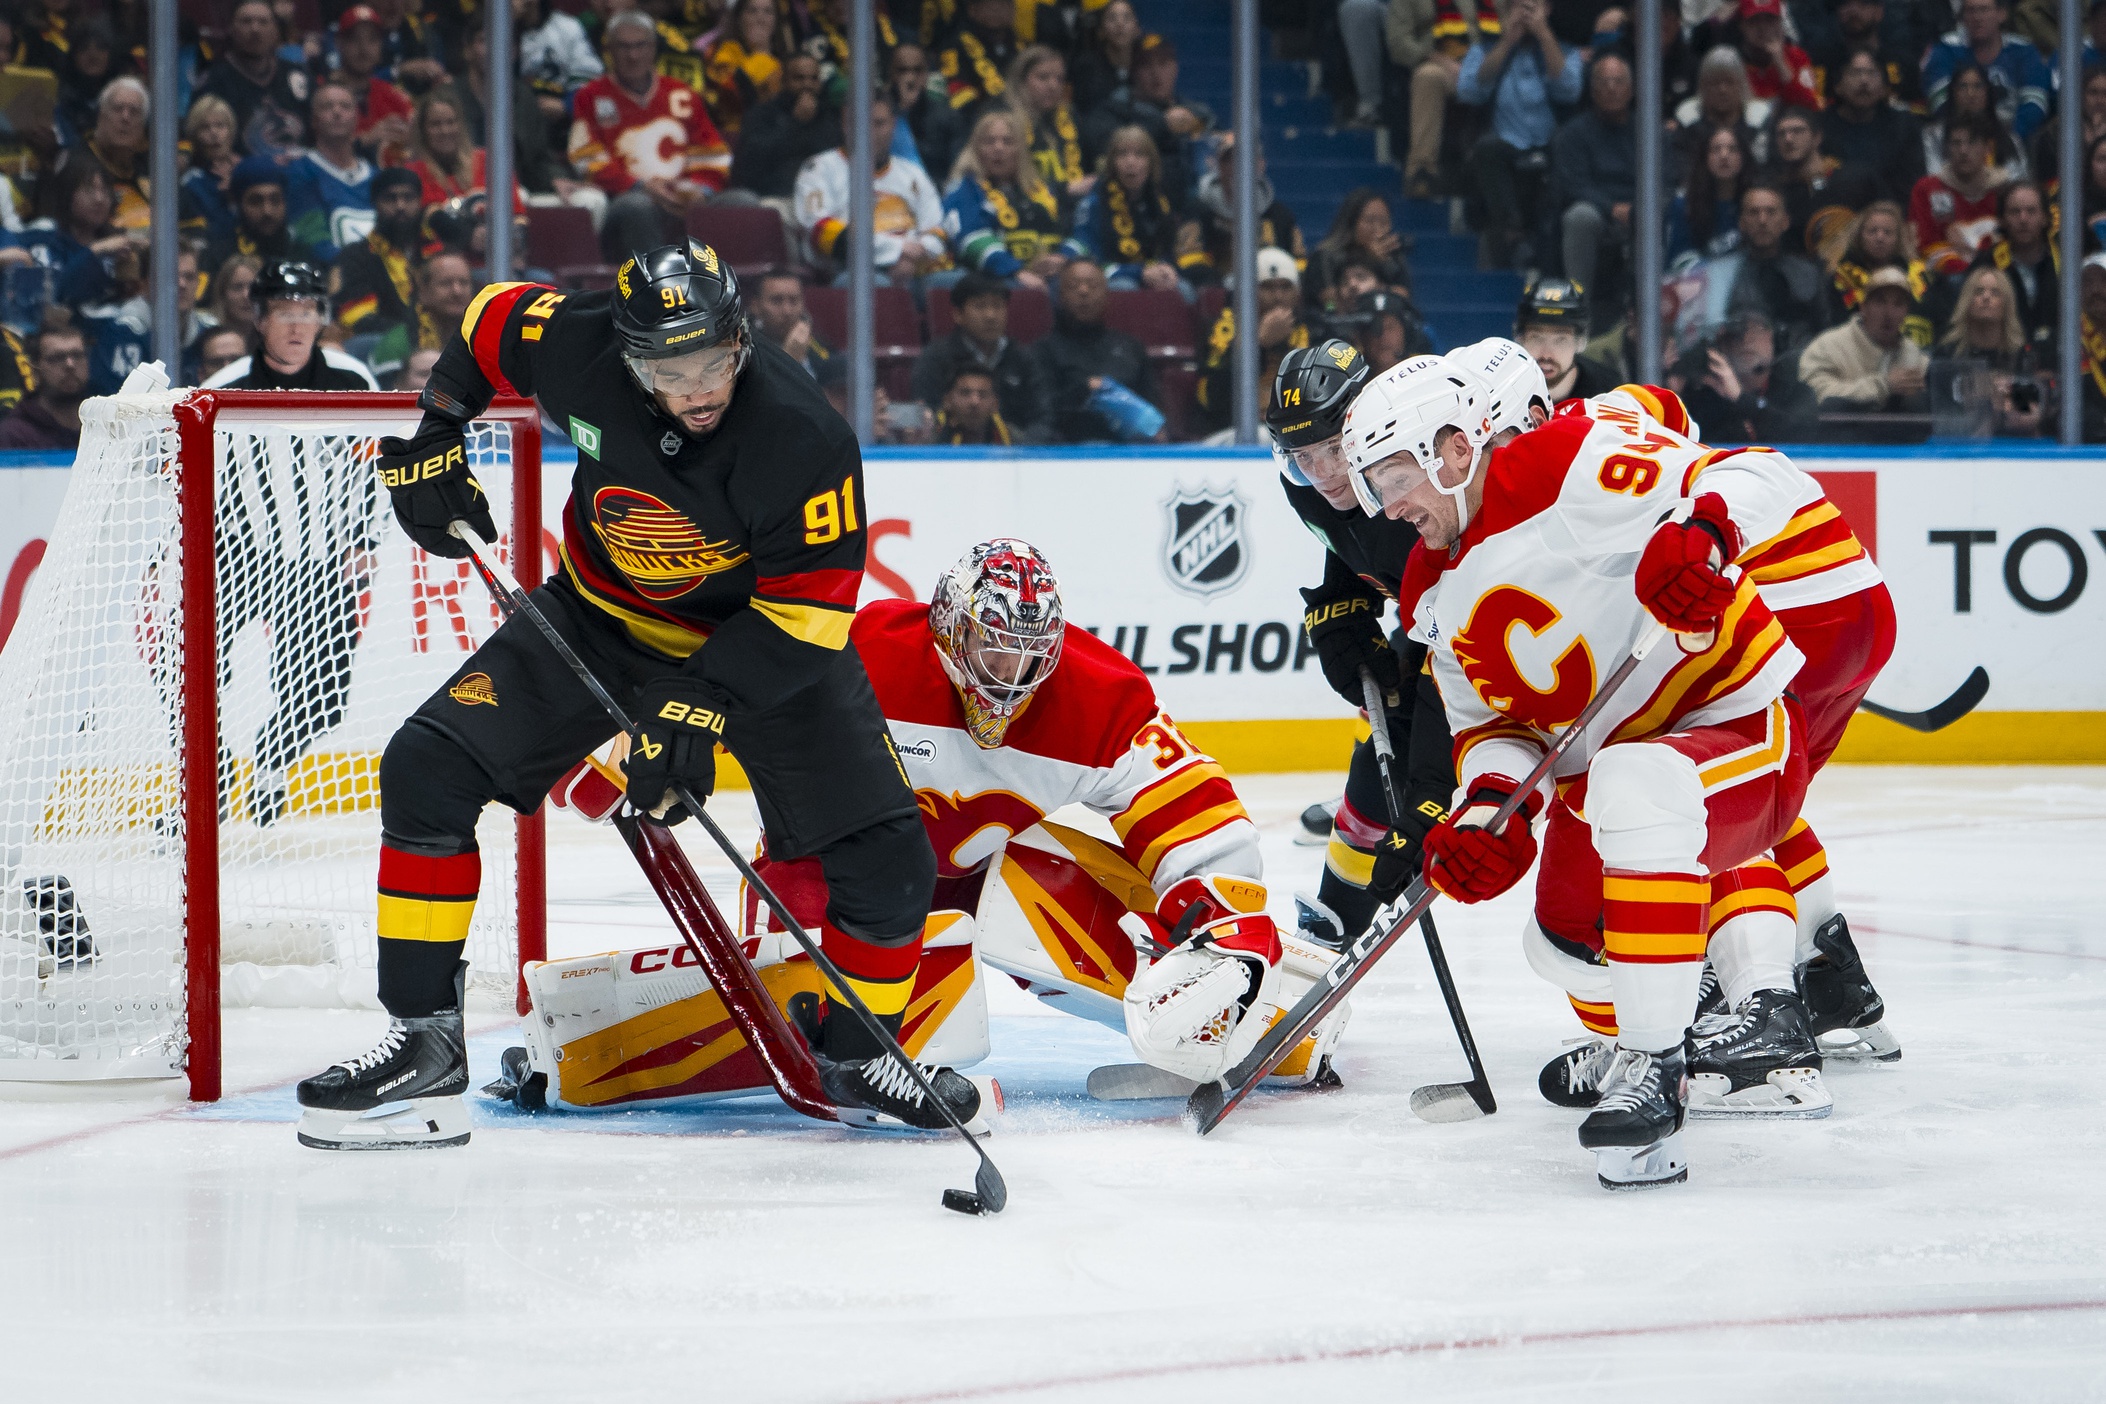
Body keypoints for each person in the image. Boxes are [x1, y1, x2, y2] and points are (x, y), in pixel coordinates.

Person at [294, 240, 967, 1148]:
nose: (697, 387)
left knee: (890, 863)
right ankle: (425, 1040)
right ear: (624, 355)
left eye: (712, 358)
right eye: (666, 366)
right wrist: (440, 430)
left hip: (759, 647)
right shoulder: (575, 346)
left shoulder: (801, 433)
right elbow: (485, 317)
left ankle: (860, 1054)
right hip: (597, 618)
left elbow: (807, 618)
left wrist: (696, 705)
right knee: (425, 770)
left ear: (742, 335)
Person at [492, 537, 1348, 1114]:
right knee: (868, 997)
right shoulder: (856, 653)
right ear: (947, 625)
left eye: (1027, 658)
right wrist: (607, 745)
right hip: (827, 870)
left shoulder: (1096, 695)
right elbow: (706, 686)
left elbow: (1188, 797)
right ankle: (581, 1052)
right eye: (991, 650)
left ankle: (1270, 1026)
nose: (1008, 680)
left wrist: (1219, 911)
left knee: (1043, 874)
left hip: (975, 876)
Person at [1342, 355, 1824, 1188]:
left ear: (1455, 450)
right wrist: (1488, 808)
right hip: (1612, 776)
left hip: (1734, 728)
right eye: (1375, 484)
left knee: (1638, 780)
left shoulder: (1569, 462)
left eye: (1396, 476)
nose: (1390, 506)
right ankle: (1660, 1032)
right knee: (1559, 939)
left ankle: (1656, 1064)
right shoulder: (1429, 586)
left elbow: (1764, 473)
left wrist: (1705, 533)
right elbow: (1492, 726)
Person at [1262, 339, 1456, 947]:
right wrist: (1341, 607)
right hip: (1437, 624)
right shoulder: (1313, 489)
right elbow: (1351, 540)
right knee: (1374, 779)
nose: (1318, 474)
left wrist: (1430, 786)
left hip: (1500, 641)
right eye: (1300, 456)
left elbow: (1468, 629)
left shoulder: (1424, 479)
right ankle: (1330, 933)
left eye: (1329, 452)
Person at [570, 11, 734, 257]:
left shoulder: (682, 93)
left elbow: (713, 153)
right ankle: (655, 291)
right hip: (626, 199)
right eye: (623, 47)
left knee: (741, 203)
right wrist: (640, 187)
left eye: (640, 45)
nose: (633, 55)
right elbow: (587, 158)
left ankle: (723, 288)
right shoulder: (590, 96)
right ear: (609, 50)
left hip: (684, 195)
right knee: (638, 207)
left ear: (654, 48)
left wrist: (699, 190)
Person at [1458, 0, 1580, 270]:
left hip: (1548, 146)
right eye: (1518, 5)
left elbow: (1569, 90)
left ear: (1547, 9)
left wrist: (1544, 35)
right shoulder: (1486, 50)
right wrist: (1507, 42)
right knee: (1487, 150)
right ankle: (1514, 237)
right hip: (1504, 148)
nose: (1525, 13)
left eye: (1532, 5)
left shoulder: (1564, 51)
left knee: (1566, 152)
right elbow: (1468, 91)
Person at [793, 95, 946, 285]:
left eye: (879, 123)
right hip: (850, 272)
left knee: (959, 284)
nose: (869, 132)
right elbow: (821, 231)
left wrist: (914, 257)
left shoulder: (913, 173)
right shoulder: (818, 170)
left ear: (894, 125)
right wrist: (896, 251)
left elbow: (937, 229)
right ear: (845, 124)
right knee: (875, 286)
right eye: (860, 123)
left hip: (915, 269)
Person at [942, 107, 1080, 291]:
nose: (998, 148)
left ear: (1020, 150)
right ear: (976, 149)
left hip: (1054, 274)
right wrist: (1016, 271)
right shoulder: (964, 190)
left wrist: (1063, 257)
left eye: (1008, 142)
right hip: (997, 278)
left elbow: (1077, 232)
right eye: (989, 142)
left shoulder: (1043, 190)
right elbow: (971, 239)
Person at [1033, 258, 1161, 442]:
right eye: (1074, 285)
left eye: (1092, 285)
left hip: (1129, 454)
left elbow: (1152, 409)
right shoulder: (1041, 351)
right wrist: (1084, 391)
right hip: (1066, 453)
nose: (1083, 291)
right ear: (1060, 296)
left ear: (1107, 296)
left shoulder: (1131, 347)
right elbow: (1042, 415)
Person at [205, 259, 378, 391]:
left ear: (319, 321)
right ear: (260, 320)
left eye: (305, 314)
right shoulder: (223, 389)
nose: (296, 328)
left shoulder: (355, 380)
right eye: (285, 315)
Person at [1083, 34, 1211, 207]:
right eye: (1146, 65)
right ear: (1133, 72)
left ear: (1175, 68)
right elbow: (1106, 149)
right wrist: (1162, 126)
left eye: (1163, 64)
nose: (1156, 73)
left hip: (1190, 213)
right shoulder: (1111, 111)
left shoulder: (1198, 113)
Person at [911, 271, 1045, 431]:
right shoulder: (936, 358)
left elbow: (1043, 417)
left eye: (997, 306)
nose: (990, 315)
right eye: (980, 306)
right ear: (958, 314)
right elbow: (926, 412)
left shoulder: (1023, 357)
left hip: (1016, 451)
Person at [1195, 246, 1308, 432]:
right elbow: (1212, 397)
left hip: (1296, 429)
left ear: (1297, 294)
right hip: (1233, 431)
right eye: (1267, 287)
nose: (1278, 297)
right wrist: (1258, 343)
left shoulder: (1312, 327)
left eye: (1285, 287)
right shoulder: (1224, 327)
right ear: (1248, 291)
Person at [1068, 125, 1188, 292]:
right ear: (1112, 163)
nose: (1130, 162)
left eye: (1139, 155)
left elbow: (1167, 253)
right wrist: (1138, 273)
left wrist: (1166, 270)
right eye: (1122, 154)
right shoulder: (1093, 204)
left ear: (1151, 163)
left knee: (1183, 289)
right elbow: (1089, 261)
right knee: (1125, 288)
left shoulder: (1161, 204)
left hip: (1150, 275)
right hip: (1109, 278)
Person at [1555, 53, 1636, 299]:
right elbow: (1573, 184)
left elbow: (1665, 178)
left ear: (1631, 89)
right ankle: (1578, 310)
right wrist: (1611, 208)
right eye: (1603, 82)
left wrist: (1639, 209)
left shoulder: (1651, 131)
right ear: (1592, 90)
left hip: (1641, 211)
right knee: (1579, 217)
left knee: (1661, 216)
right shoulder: (1572, 134)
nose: (1611, 88)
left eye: (1618, 81)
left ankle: (1651, 313)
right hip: (1597, 212)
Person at [1796, 266, 1929, 413]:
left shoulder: (1914, 356)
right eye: (1880, 302)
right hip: (1839, 434)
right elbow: (1813, 397)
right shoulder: (1827, 347)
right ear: (1863, 307)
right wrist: (1883, 386)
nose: (1889, 313)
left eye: (1898, 304)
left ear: (1906, 312)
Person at [1934, 264, 2045, 436]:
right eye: (1978, 292)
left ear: (2006, 303)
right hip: (1962, 443)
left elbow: (2028, 412)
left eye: (1995, 293)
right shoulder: (1947, 353)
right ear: (1967, 301)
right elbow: (1941, 413)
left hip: (2013, 444)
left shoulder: (2022, 353)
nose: (1986, 297)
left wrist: (2012, 403)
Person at [1676, 309, 1819, 441]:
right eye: (1737, 333)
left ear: (1774, 340)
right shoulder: (1705, 397)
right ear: (1723, 344)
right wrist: (1675, 391)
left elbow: (1801, 437)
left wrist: (1741, 398)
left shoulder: (1797, 393)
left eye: (1758, 329)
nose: (1748, 339)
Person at [1925, 0, 2053, 143]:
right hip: (1958, 142)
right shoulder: (1946, 50)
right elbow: (1940, 103)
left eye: (1984, 9)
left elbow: (2035, 103)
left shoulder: (2024, 52)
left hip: (2013, 139)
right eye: (1971, 10)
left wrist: (2009, 139)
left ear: (2002, 14)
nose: (1977, 17)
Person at [1184, 135, 1305, 285]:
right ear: (1218, 166)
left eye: (1246, 159)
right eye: (1228, 160)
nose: (1237, 167)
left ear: (1261, 165)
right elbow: (1187, 260)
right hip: (1214, 297)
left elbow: (1299, 264)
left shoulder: (1281, 216)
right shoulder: (1198, 212)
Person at [196, 0, 311, 157]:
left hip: (300, 173)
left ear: (276, 31)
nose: (255, 29)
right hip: (241, 176)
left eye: (263, 22)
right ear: (231, 29)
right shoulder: (214, 81)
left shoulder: (297, 75)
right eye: (246, 21)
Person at [1721, 183, 1827, 352]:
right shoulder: (1723, 276)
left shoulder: (1809, 274)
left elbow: (1826, 332)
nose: (1762, 221)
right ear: (1741, 223)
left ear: (1785, 222)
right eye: (1754, 212)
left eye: (1771, 212)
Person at [727, 51, 839, 202]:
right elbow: (750, 166)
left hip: (822, 201)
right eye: (799, 78)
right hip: (772, 199)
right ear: (784, 81)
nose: (807, 84)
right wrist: (795, 123)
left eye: (814, 79)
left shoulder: (829, 115)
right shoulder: (761, 114)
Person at [330, 166, 423, 347]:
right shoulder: (356, 256)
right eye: (390, 198)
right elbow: (357, 316)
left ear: (420, 202)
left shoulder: (434, 252)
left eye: (408, 198)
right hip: (386, 346)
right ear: (374, 202)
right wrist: (414, 333)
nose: (400, 206)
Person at [286, 77, 374, 264]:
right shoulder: (301, 172)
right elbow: (312, 239)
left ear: (356, 118)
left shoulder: (375, 175)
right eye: (327, 107)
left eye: (345, 106)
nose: (337, 112)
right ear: (313, 120)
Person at [1820, 50, 1925, 206]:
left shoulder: (1903, 126)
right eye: (1855, 73)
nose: (1864, 80)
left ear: (1884, 87)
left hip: (1889, 216)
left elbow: (1912, 186)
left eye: (1872, 73)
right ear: (1838, 86)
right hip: (1833, 216)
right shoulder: (1819, 127)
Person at [1969, 178, 2057, 359]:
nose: (2023, 219)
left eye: (2031, 211)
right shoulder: (1986, 262)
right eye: (2015, 212)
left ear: (2045, 218)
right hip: (1999, 363)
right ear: (2002, 220)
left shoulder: (2064, 264)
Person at [1911, 113, 2007, 278]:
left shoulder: (2005, 190)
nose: (1963, 151)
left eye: (1972, 142)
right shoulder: (1927, 189)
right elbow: (1925, 246)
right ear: (1947, 149)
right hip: (1943, 278)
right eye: (1956, 143)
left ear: (1988, 148)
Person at [1824, 200, 1931, 341]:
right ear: (1859, 236)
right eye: (1872, 231)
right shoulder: (1840, 277)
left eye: (1887, 232)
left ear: (1898, 239)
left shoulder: (1919, 275)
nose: (1880, 237)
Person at [1515, 275, 1620, 404]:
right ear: (1520, 339)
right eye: (1536, 338)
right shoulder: (1500, 389)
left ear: (1581, 342)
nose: (1546, 354)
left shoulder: (1608, 393)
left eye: (1561, 340)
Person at [205, 156, 319, 274]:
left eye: (275, 200)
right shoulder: (219, 257)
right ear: (239, 204)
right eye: (255, 201)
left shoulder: (302, 254)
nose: (267, 211)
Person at [332, 4, 415, 163]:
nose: (364, 48)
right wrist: (367, 139)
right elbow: (317, 152)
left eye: (372, 39)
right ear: (339, 43)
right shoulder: (321, 94)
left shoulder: (394, 96)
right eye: (354, 38)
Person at [1806, 0, 1925, 110]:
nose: (1853, 10)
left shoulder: (1903, 62)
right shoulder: (1821, 62)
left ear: (1879, 12)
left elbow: (1916, 113)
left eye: (1863, 4)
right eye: (1845, 4)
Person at [1009, 45, 1091, 203]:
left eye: (1059, 79)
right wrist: (1064, 190)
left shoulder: (1071, 117)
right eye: (1043, 77)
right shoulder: (1003, 118)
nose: (1053, 86)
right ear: (1021, 80)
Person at [699, 0, 789, 140]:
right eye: (752, 11)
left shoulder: (785, 61)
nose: (761, 18)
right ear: (739, 19)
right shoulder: (726, 52)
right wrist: (761, 53)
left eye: (768, 12)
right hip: (734, 138)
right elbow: (733, 95)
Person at [1308, 188, 1411, 308]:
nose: (1377, 229)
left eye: (1384, 222)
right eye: (1370, 221)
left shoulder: (1393, 259)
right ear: (1352, 222)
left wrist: (1382, 264)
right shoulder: (1325, 257)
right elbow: (1331, 305)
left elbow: (1403, 299)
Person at [74, 76, 150, 232]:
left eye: (134, 112)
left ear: (143, 125)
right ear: (101, 116)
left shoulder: (154, 169)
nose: (125, 117)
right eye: (117, 109)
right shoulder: (75, 163)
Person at [1665, 124, 1751, 261]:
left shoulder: (1758, 203)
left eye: (1733, 149)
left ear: (1744, 157)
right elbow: (1679, 261)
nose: (1724, 156)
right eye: (1716, 150)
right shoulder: (1683, 206)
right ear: (1704, 158)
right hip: (1700, 280)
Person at [748, 264, 841, 385]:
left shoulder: (820, 346)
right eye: (776, 300)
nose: (787, 311)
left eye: (794, 300)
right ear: (756, 306)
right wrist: (789, 360)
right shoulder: (745, 350)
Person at [0, 323, 88, 449]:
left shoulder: (107, 427)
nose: (70, 365)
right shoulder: (13, 435)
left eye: (77, 355)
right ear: (35, 369)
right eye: (57, 358)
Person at [890, 43, 961, 188]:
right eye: (902, 71)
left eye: (917, 70)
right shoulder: (876, 116)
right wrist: (902, 110)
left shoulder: (947, 117)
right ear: (892, 73)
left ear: (927, 73)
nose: (910, 78)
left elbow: (955, 171)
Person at [935, 0, 1020, 120]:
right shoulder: (954, 46)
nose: (995, 8)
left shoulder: (1021, 47)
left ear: (1013, 10)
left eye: (1002, 3)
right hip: (973, 119)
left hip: (1020, 117)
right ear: (972, 10)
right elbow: (956, 89)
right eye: (988, 3)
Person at [1732, 0, 1820, 111]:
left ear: (1780, 23)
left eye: (1769, 19)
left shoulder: (1797, 56)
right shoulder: (1732, 60)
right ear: (1742, 26)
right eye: (1754, 20)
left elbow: (1811, 106)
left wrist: (1780, 62)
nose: (1762, 27)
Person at [181, 95, 243, 251]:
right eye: (205, 127)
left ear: (231, 131)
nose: (214, 133)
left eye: (220, 126)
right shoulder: (191, 182)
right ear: (195, 135)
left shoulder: (249, 172)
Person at [1071, 0, 1142, 118]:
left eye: (1126, 18)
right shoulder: (1086, 68)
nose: (1120, 24)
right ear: (1101, 31)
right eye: (1112, 18)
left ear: (1137, 29)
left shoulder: (1146, 65)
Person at [930, 363, 1015, 444]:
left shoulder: (1015, 441)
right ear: (947, 401)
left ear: (995, 404)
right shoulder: (929, 441)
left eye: (983, 394)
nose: (974, 402)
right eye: (965, 393)